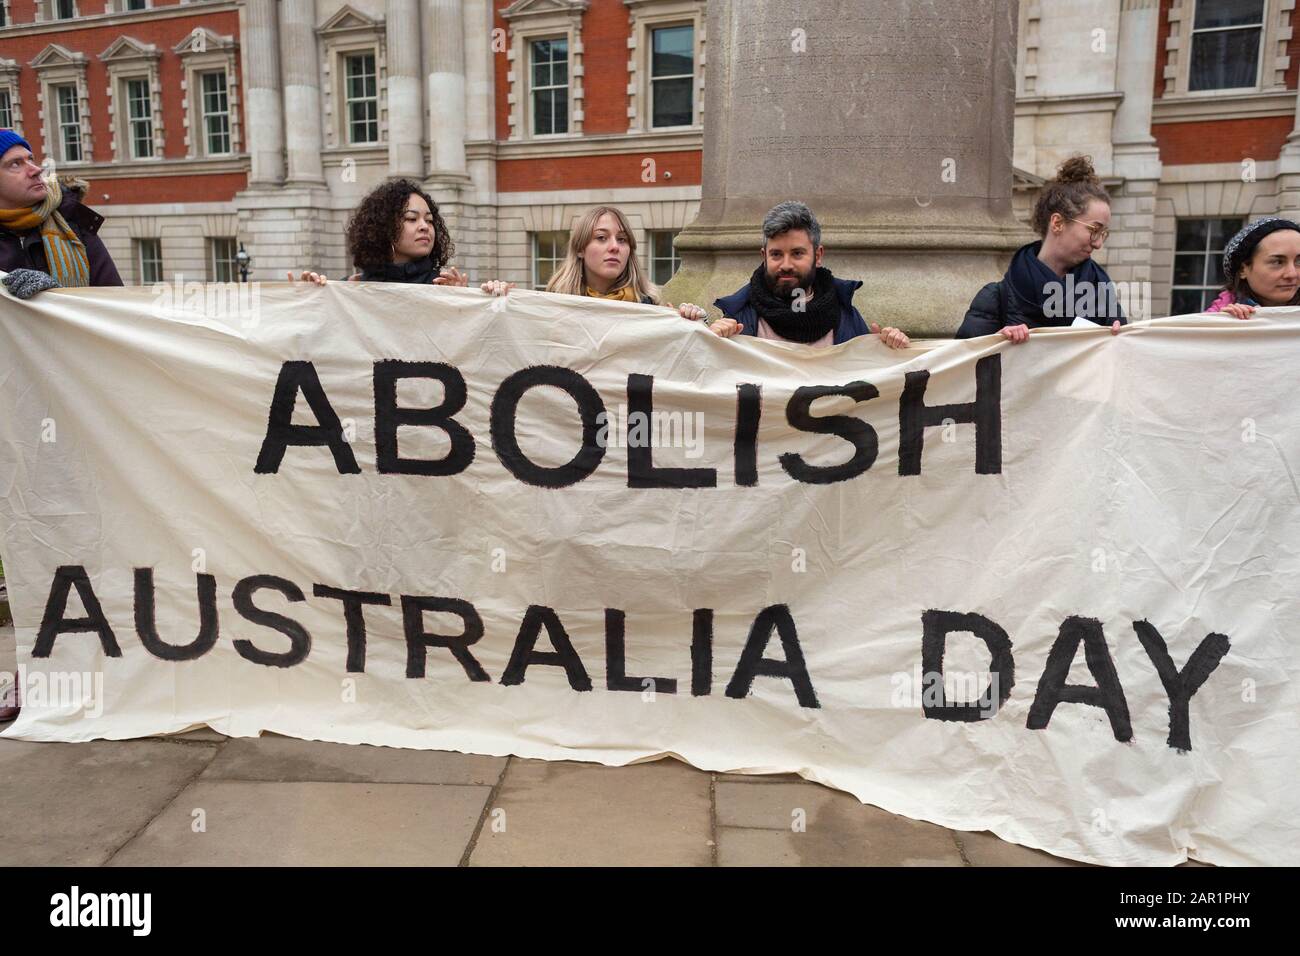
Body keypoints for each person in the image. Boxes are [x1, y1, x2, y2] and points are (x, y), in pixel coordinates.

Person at [956, 155, 1123, 343]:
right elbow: (964, 364)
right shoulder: (996, 298)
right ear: (1057, 223)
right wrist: (996, 343)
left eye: (1103, 233)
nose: (1098, 243)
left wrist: (1120, 342)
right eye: (1094, 230)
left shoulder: (1103, 297)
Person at [707, 200, 909, 349]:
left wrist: (893, 351)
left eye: (797, 253)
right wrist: (711, 343)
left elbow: (873, 388)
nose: (786, 265)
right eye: (776, 254)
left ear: (818, 255)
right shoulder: (739, 318)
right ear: (764, 256)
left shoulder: (846, 316)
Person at [0, 129, 122, 297]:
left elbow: (113, 299)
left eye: (30, 159)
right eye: (15, 164)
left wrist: (54, 296)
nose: (36, 170)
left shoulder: (72, 220)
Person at [289, 178, 470, 288]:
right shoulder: (351, 287)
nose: (425, 226)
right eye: (411, 219)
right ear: (384, 227)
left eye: (429, 220)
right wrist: (306, 301)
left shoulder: (443, 285)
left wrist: (463, 302)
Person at [1205, 217, 1300, 319]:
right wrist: (1222, 323)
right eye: (1277, 262)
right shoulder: (1217, 320)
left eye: (1299, 261)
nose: (1292, 274)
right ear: (1242, 270)